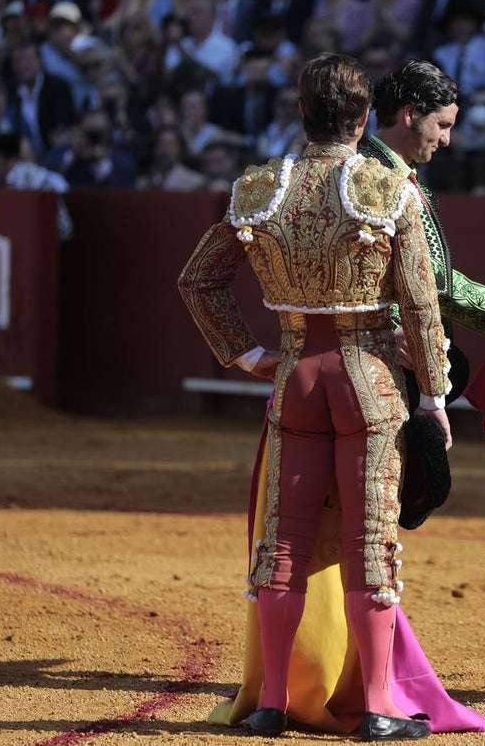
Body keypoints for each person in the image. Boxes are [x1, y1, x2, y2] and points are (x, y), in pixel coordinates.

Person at [177, 52, 457, 742]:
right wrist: (435, 398)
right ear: (364, 121)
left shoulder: (259, 190)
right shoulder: (389, 192)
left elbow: (197, 281)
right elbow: (421, 306)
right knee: (371, 545)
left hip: (294, 375)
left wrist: (246, 353)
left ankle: (271, 700)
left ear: (303, 115)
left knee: (284, 545)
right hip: (367, 376)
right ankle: (382, 703)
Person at [359, 59, 485, 402]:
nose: (447, 140)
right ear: (410, 114)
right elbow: (433, 280)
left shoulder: (366, 167)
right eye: (442, 125)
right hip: (387, 357)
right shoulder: (385, 181)